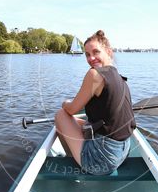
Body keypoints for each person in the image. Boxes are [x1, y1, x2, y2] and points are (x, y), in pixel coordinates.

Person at [54, 30, 136, 175]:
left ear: (109, 52)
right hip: (123, 152)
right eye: (87, 54)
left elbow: (71, 109)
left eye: (96, 52)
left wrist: (65, 103)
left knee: (61, 116)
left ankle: (75, 161)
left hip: (103, 160)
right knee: (80, 122)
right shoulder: (119, 78)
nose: (91, 58)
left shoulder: (94, 74)